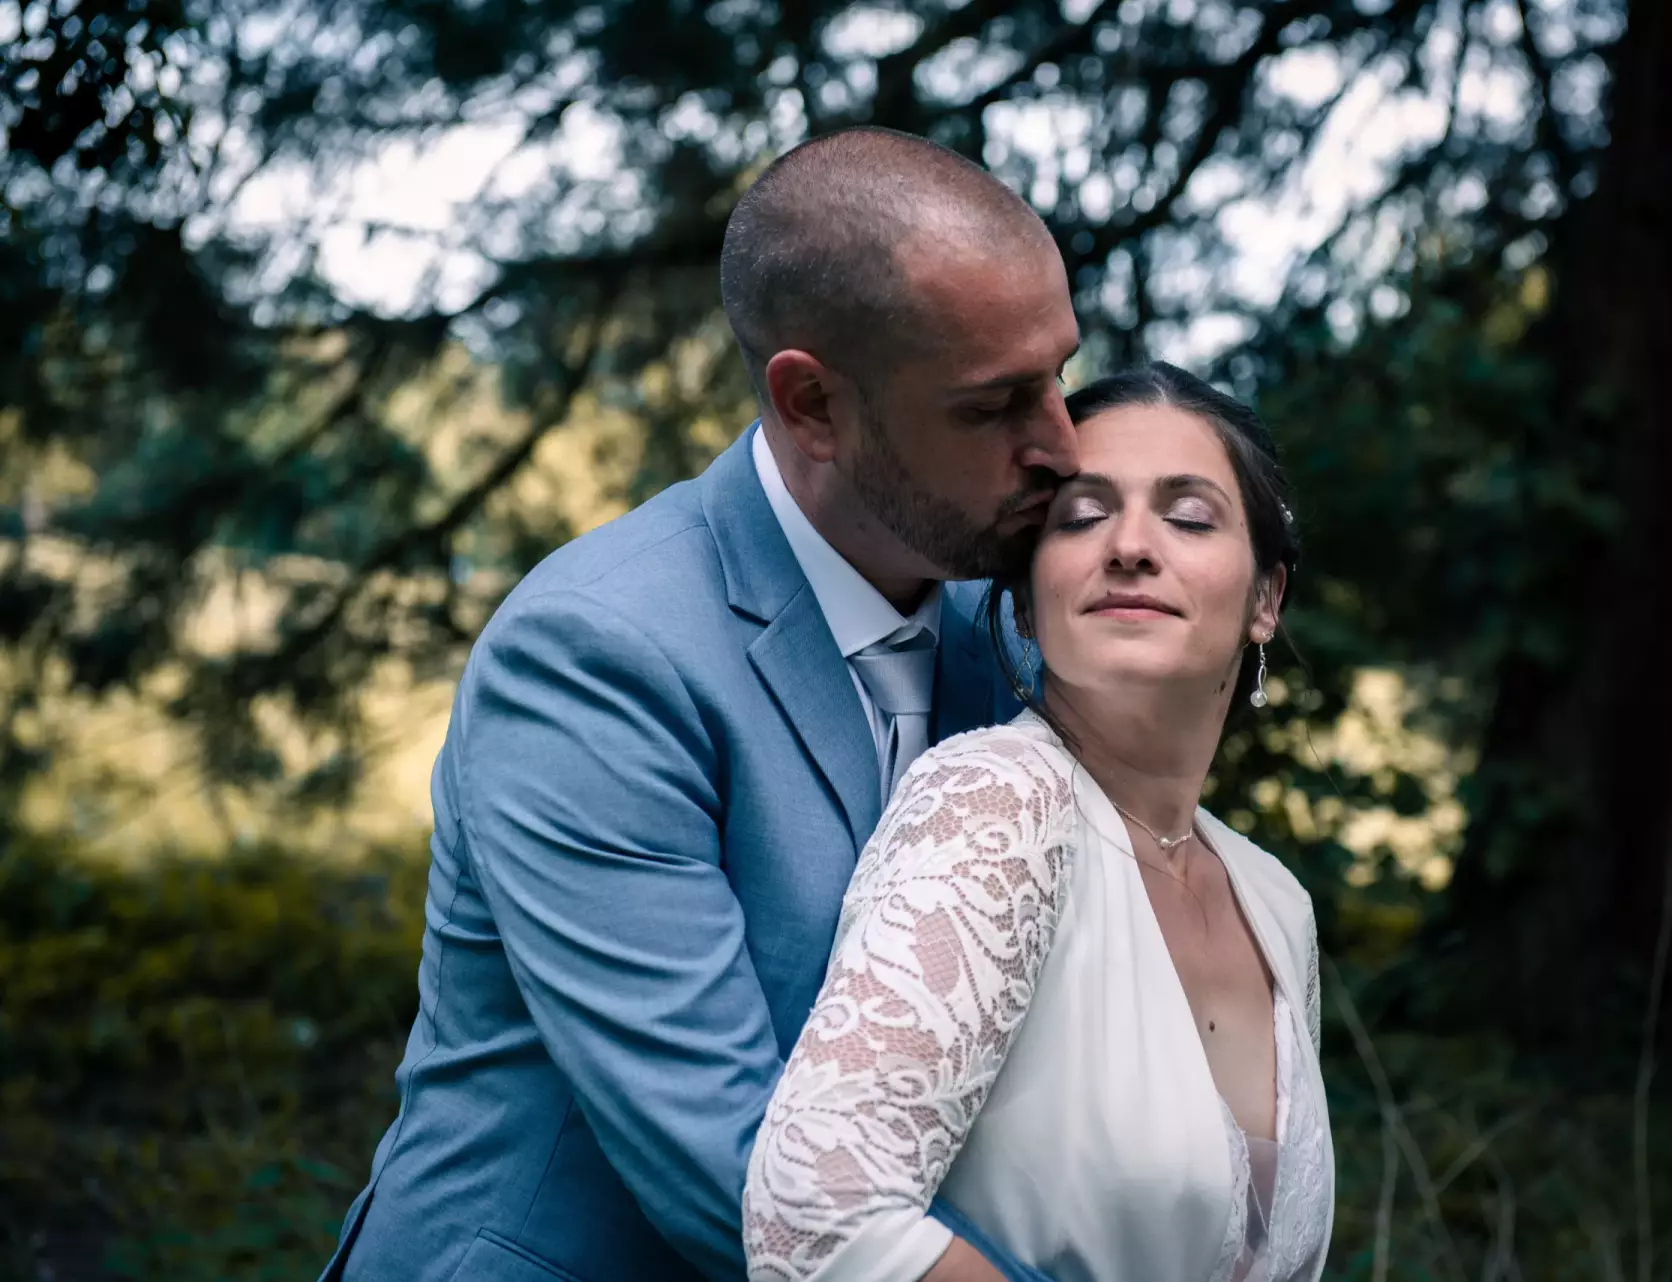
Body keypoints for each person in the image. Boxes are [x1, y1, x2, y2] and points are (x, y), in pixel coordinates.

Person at [320, 127, 1079, 1282]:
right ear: (812, 403)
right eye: (993, 407)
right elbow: (731, 1166)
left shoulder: (1007, 624)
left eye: (1062, 375)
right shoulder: (598, 656)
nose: (1062, 449)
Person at [743, 364, 1334, 1282]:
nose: (1130, 546)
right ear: (1021, 598)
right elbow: (815, 1217)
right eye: (1083, 515)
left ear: (1266, 598)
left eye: (1188, 516)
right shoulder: (996, 805)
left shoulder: (1276, 903)